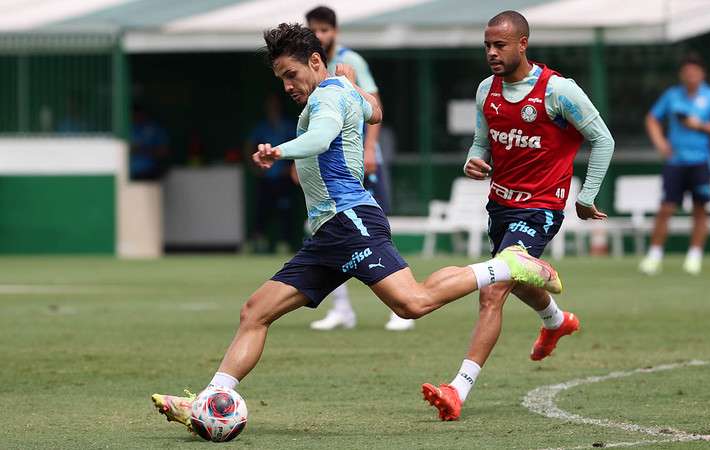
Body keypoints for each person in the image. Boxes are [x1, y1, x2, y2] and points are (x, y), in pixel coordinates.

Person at [151, 23, 564, 431]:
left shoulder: (327, 99)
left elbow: (321, 137)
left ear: (315, 61)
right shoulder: (340, 90)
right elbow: (376, 112)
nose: (287, 87)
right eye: (281, 79)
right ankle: (207, 401)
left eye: (291, 75)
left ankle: (508, 267)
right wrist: (352, 86)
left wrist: (279, 150)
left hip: (350, 221)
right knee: (255, 312)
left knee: (412, 303)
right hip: (328, 232)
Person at [421, 11, 615, 421]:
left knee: (492, 290)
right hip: (500, 205)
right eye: (487, 46)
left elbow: (603, 139)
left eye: (500, 45)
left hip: (541, 206)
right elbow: (481, 142)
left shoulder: (558, 91)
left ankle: (457, 390)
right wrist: (473, 160)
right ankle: (556, 321)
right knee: (516, 281)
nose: (492, 53)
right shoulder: (485, 91)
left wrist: (587, 195)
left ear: (522, 44)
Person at [305, 5, 412, 331]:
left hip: (359, 160)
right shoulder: (311, 67)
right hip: (329, 167)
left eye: (325, 30)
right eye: (314, 30)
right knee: (325, 231)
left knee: (375, 230)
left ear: (335, 32)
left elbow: (373, 105)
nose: (320, 36)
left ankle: (402, 303)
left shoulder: (351, 62)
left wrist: (370, 149)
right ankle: (342, 309)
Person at [638, 53, 710, 276]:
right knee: (666, 208)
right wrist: (660, 143)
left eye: (695, 72)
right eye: (687, 72)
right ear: (682, 74)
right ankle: (654, 255)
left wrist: (700, 126)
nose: (691, 76)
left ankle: (694, 256)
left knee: (700, 209)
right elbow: (652, 119)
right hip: (675, 162)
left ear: (702, 74)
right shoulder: (672, 96)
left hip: (701, 162)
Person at [246, 93, 301, 253]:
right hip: (266, 178)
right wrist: (254, 166)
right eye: (270, 104)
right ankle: (258, 242)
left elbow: (299, 145)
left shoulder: (289, 125)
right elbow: (249, 145)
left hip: (284, 179)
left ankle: (284, 243)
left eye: (275, 104)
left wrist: (291, 166)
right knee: (262, 211)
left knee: (286, 212)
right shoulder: (261, 127)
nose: (272, 107)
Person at [130, 104, 170, 180]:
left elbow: (163, 151)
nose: (137, 117)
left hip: (150, 172)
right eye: (135, 114)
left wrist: (142, 149)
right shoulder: (127, 128)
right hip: (128, 173)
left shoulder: (155, 129)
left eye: (139, 114)